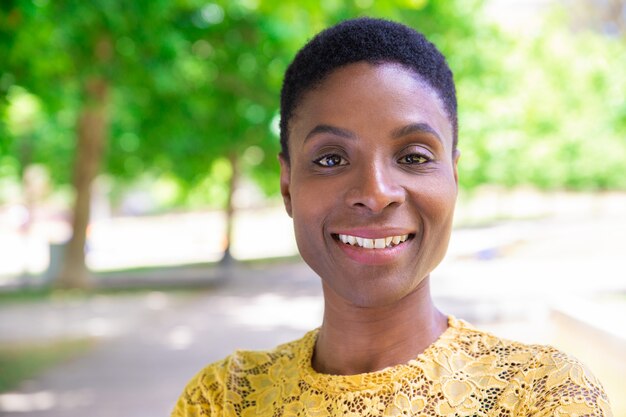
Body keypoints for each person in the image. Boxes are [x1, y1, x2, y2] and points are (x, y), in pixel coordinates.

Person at [171, 18, 612, 417]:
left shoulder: (543, 396)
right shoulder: (224, 400)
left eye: (414, 156)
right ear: (288, 186)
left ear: (453, 178)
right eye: (330, 159)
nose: (376, 193)